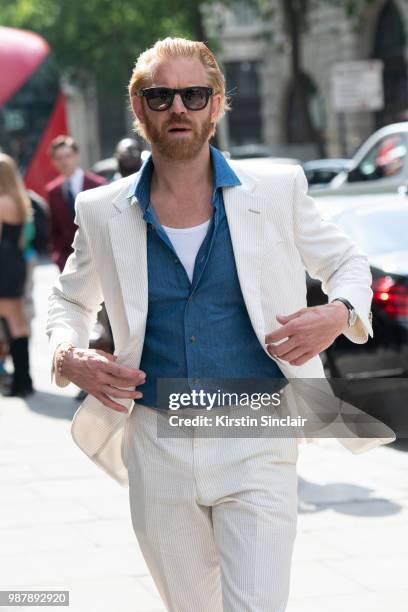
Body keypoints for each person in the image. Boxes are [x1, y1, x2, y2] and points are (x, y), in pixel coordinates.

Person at [47, 38, 394, 611]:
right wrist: (66, 355)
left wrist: (339, 314)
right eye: (161, 96)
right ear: (140, 109)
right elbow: (67, 300)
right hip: (157, 441)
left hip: (258, 434)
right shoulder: (103, 210)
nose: (177, 108)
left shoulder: (277, 189)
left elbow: (348, 263)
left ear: (217, 104)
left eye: (193, 94)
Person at [45, 135, 105, 272]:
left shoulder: (98, 185)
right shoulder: (52, 191)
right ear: (53, 161)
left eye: (67, 156)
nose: (64, 162)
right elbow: (54, 229)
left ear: (76, 156)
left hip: (98, 258)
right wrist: (58, 258)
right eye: (59, 158)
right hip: (69, 262)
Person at [0, 154, 33, 397]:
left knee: (13, 322)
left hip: (5, 264)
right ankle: (24, 379)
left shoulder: (2, 201)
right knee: (18, 321)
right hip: (15, 261)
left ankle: (21, 381)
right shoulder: (17, 199)